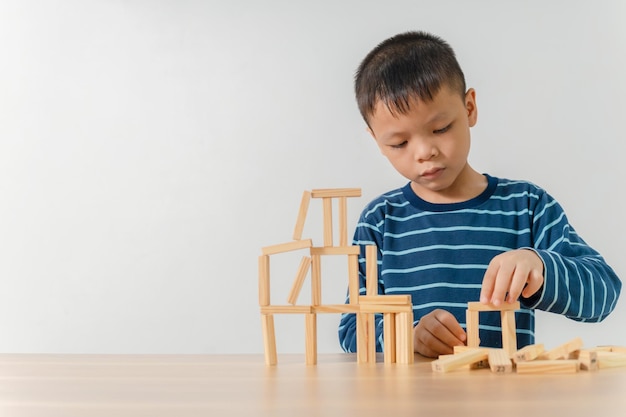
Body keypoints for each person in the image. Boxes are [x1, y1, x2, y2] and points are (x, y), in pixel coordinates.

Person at [337, 31, 622, 358]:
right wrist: (408, 337)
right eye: (399, 143)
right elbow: (350, 329)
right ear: (375, 140)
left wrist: (540, 266)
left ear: (470, 107)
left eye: (441, 128)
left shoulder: (527, 207)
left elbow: (605, 294)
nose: (424, 151)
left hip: (504, 402)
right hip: (410, 403)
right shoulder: (380, 222)